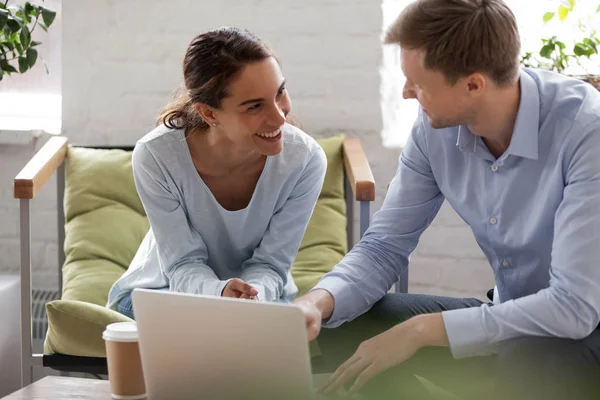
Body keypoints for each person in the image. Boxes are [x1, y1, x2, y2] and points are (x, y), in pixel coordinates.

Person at [294, 0, 600, 398]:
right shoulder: (432, 130)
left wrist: (423, 330)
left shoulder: (586, 132)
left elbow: (573, 308)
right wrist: (317, 303)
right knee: (345, 322)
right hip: (506, 318)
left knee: (533, 358)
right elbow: (384, 246)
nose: (405, 92)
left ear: (473, 84)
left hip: (582, 329)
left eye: (418, 83)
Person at [107, 27, 327, 319]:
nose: (279, 116)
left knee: (260, 338)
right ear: (210, 114)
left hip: (262, 298)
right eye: (254, 106)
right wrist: (220, 294)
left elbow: (272, 266)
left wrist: (253, 297)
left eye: (280, 92)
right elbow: (182, 265)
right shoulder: (157, 156)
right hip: (164, 294)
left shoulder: (305, 161)